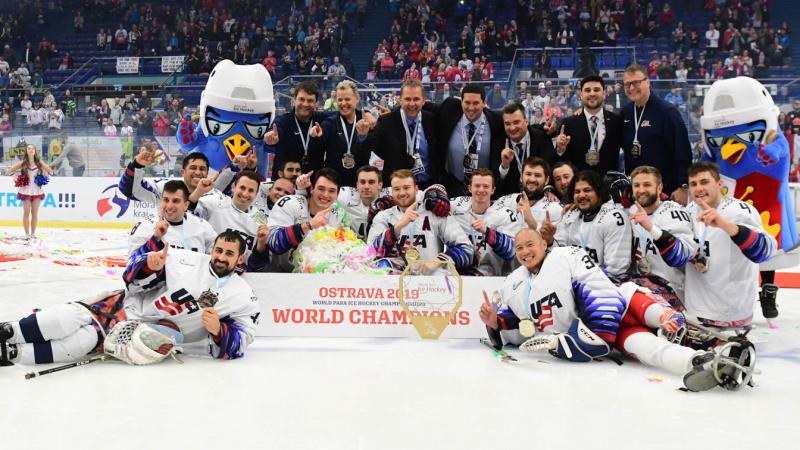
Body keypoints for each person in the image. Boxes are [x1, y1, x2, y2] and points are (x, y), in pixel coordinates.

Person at [479, 228, 757, 392]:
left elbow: (601, 296)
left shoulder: (565, 256)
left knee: (664, 319)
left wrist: (590, 337)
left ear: (543, 244)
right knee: (649, 350)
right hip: (611, 336)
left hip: (623, 304)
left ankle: (723, 343)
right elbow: (518, 321)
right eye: (519, 247)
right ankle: (703, 362)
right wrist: (497, 322)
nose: (525, 251)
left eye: (530, 244)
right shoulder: (514, 284)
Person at [0, 231, 261, 365]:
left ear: (239, 258)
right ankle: (10, 331)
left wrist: (220, 331)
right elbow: (133, 277)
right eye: (218, 250)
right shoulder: (186, 259)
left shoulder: (243, 295)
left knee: (84, 340)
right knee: (72, 316)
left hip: (148, 334)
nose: (221, 257)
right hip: (127, 306)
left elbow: (242, 341)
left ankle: (12, 353)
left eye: (229, 253)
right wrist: (149, 265)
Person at [684, 162, 776, 328]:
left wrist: (727, 226)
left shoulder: (740, 211)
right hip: (694, 310)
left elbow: (765, 252)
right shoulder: (689, 211)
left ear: (719, 184)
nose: (698, 189)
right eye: (693, 184)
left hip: (731, 313)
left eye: (704, 182)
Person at [367, 170, 472, 272]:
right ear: (392, 191)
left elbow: (467, 250)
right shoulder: (383, 216)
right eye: (397, 189)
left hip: (431, 280)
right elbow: (370, 255)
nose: (402, 193)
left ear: (416, 189)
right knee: (381, 266)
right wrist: (398, 227)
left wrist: (439, 261)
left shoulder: (434, 212)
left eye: (406, 188)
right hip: (396, 281)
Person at [621, 64, 692, 204]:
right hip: (638, 193)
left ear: (647, 82)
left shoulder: (668, 112)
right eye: (627, 85)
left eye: (635, 83)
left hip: (667, 192)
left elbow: (683, 151)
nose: (631, 88)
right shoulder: (626, 113)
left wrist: (683, 186)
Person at [543, 170, 632, 279]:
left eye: (587, 190)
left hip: (606, 286)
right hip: (573, 280)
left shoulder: (614, 218)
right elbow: (559, 253)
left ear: (599, 192)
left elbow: (616, 271)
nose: (581, 195)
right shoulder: (571, 215)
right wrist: (550, 240)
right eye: (577, 192)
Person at [423, 83, 506, 198]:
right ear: (461, 102)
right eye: (467, 102)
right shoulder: (450, 110)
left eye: (476, 103)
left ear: (484, 103)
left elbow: (518, 123)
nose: (471, 108)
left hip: (484, 189)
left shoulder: (496, 121)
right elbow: (423, 106)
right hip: (453, 186)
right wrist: (393, 112)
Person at [627, 166, 696, 301]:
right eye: (636, 185)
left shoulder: (675, 213)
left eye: (647, 185)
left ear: (659, 188)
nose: (641, 190)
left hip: (672, 295)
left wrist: (651, 228)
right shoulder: (631, 210)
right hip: (640, 290)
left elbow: (682, 255)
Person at [358, 79, 439, 188]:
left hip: (428, 186)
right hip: (396, 188)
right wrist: (363, 135)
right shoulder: (386, 121)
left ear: (424, 101)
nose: (411, 104)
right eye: (407, 99)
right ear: (400, 100)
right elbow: (372, 145)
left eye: (416, 99)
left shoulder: (432, 120)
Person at [190, 170, 270, 273]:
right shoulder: (216, 202)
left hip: (239, 274)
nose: (245, 194)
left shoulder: (260, 218)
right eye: (242, 188)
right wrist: (198, 192)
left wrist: (261, 243)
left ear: (256, 194)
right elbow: (188, 212)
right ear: (233, 187)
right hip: (207, 268)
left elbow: (256, 261)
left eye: (251, 190)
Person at [268, 168, 347, 270]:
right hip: (280, 274)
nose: (326, 195)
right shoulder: (290, 203)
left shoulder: (339, 213)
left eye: (332, 191)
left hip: (318, 275)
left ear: (337, 194)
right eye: (321, 189)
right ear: (312, 189)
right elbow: (274, 243)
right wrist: (309, 225)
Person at [448, 168, 517, 276]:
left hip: (490, 279)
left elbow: (512, 252)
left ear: (493, 190)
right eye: (477, 186)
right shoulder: (456, 205)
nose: (481, 190)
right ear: (469, 188)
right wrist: (435, 191)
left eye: (486, 186)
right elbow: (433, 198)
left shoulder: (505, 214)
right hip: (458, 275)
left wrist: (487, 232)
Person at [554, 75, 623, 175]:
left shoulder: (616, 121)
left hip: (609, 185)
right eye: (587, 90)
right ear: (581, 95)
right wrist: (560, 150)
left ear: (604, 94)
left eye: (596, 90)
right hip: (579, 185)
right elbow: (562, 162)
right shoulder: (568, 124)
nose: (592, 93)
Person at [128, 180, 216, 255]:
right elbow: (132, 264)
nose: (169, 206)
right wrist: (155, 239)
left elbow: (215, 259)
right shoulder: (146, 227)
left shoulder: (203, 227)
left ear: (186, 205)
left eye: (176, 201)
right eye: (166, 200)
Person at [265, 81, 329, 178]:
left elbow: (340, 114)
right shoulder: (283, 121)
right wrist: (270, 140)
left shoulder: (322, 119)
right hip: (285, 185)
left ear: (316, 103)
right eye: (301, 99)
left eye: (310, 100)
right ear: (294, 99)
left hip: (312, 183)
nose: (305, 104)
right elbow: (274, 133)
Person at [119, 149, 211, 214]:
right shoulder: (166, 188)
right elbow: (129, 190)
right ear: (183, 172)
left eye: (202, 169)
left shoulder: (216, 196)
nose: (198, 172)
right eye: (193, 168)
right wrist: (137, 165)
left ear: (207, 173)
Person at [319, 80, 373, 187]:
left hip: (360, 184)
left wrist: (362, 137)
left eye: (347, 99)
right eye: (340, 100)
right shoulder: (329, 123)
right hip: (334, 185)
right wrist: (316, 138)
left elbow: (367, 154)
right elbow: (318, 146)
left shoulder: (367, 121)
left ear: (357, 98)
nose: (343, 103)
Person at [497, 103, 557, 196]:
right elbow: (495, 179)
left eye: (516, 122)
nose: (512, 128)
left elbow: (550, 166)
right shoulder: (499, 143)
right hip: (509, 198)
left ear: (526, 121)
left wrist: (547, 189)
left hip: (539, 195)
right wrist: (505, 166)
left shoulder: (541, 137)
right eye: (507, 124)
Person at [492, 157, 563, 233]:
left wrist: (532, 222)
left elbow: (559, 243)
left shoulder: (555, 209)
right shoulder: (504, 201)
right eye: (528, 174)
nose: (532, 179)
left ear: (546, 180)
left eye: (537, 175)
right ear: (521, 177)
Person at [5, 144, 54, 240]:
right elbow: (10, 171)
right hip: (25, 191)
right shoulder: (23, 163)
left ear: (35, 151)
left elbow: (51, 172)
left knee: (35, 213)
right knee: (26, 212)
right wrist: (17, 179)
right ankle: (27, 234)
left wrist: (43, 178)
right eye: (29, 148)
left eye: (33, 148)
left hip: (37, 191)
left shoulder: (39, 162)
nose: (31, 150)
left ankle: (33, 234)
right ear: (26, 151)